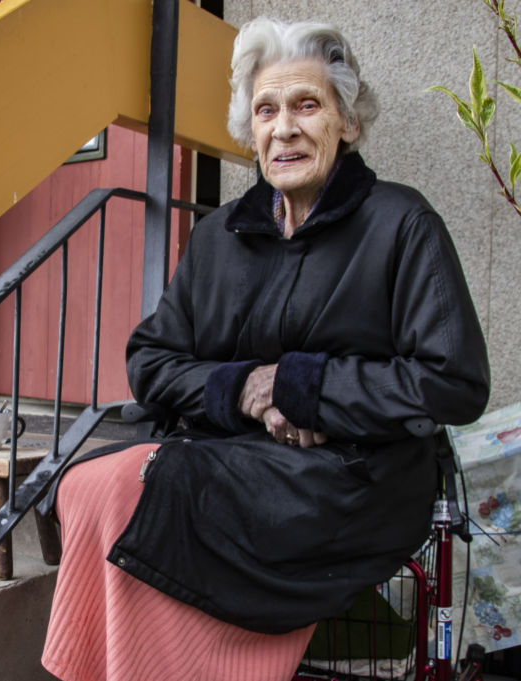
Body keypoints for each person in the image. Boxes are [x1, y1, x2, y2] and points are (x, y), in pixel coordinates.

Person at [41, 16, 490, 681]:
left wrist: (302, 389)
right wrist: (247, 390)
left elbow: (452, 379)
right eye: (266, 111)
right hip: (231, 455)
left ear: (348, 122)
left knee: (134, 490)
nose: (285, 128)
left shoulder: (401, 223)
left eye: (307, 105)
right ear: (250, 132)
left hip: (354, 476)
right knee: (83, 481)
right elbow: (152, 361)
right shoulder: (220, 236)